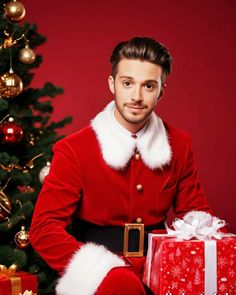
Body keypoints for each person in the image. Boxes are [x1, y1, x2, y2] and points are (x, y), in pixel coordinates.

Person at [30, 37, 212, 295]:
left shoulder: (179, 144)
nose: (136, 97)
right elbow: (44, 229)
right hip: (101, 279)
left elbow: (197, 215)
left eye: (148, 86)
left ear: (161, 91)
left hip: (162, 272)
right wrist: (100, 271)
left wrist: (214, 257)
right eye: (127, 83)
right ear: (112, 84)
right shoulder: (74, 149)